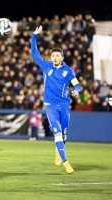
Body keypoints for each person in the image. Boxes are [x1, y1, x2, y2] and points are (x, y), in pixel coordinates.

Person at [31, 26, 81, 174]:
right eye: (53, 55)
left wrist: (76, 91)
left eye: (57, 56)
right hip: (50, 106)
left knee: (64, 135)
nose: (54, 57)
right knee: (57, 133)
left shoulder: (68, 71)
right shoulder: (46, 66)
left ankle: (58, 150)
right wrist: (34, 36)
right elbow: (34, 53)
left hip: (64, 105)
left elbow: (77, 84)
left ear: (62, 58)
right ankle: (66, 162)